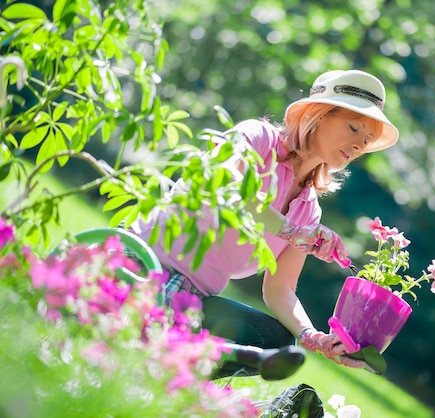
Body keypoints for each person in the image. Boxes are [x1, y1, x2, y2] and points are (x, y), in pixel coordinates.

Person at [129, 69, 399, 378]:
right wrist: (291, 231)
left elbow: (280, 288)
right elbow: (223, 184)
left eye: (366, 140)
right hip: (146, 266)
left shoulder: (308, 209)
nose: (357, 145)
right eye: (353, 128)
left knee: (276, 340)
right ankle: (170, 369)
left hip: (192, 298)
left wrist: (315, 338)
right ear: (319, 114)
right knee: (150, 350)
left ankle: (176, 367)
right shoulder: (258, 138)